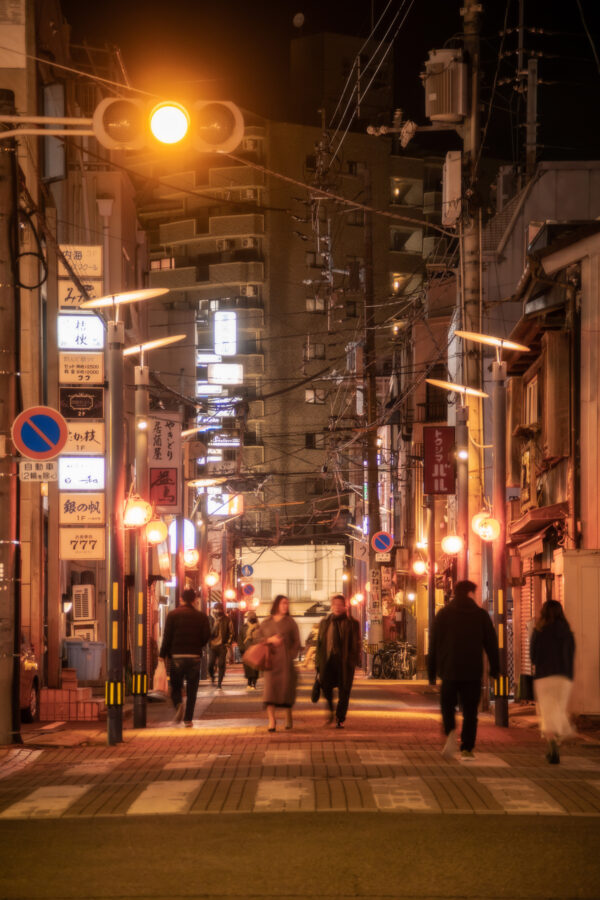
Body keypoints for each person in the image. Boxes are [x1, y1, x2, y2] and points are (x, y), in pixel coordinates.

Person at [428, 579, 499, 759]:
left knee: (447, 706)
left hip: (449, 670)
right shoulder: (480, 615)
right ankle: (467, 747)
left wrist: (431, 672)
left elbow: (434, 644)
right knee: (470, 711)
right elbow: (491, 644)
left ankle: (451, 734)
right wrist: (495, 669)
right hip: (472, 671)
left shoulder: (444, 614)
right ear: (470, 593)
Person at [530, 599, 575, 764]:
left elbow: (533, 656)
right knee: (559, 710)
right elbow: (570, 655)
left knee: (548, 714)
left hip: (544, 677)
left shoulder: (538, 631)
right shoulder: (567, 632)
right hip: (564, 677)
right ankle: (561, 734)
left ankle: (553, 746)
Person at [159, 588, 211, 726]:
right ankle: (188, 719)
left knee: (175, 686)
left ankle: (178, 704)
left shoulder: (172, 615)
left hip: (177, 656)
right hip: (194, 656)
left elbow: (167, 637)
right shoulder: (201, 616)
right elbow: (206, 636)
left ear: (181, 599)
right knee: (192, 689)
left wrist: (162, 655)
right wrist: (197, 645)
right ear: (195, 600)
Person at [256, 594, 300, 732]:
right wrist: (270, 640)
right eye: (283, 603)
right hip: (270, 662)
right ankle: (271, 720)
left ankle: (288, 716)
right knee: (270, 692)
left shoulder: (290, 622)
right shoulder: (266, 622)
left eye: (287, 603)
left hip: (286, 663)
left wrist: (291, 655)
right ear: (276, 605)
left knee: (286, 690)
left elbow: (296, 641)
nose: (285, 606)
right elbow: (257, 639)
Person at [315, 593, 361, 728]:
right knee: (326, 687)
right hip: (328, 661)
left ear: (345, 606)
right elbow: (319, 643)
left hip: (345, 662)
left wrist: (352, 660)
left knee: (344, 691)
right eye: (335, 605)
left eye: (340, 605)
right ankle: (330, 711)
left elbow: (356, 644)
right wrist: (317, 663)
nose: (337, 607)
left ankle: (340, 718)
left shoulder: (352, 623)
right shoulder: (325, 623)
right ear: (331, 606)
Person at [208, 601, 234, 690]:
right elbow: (207, 632)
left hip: (222, 646)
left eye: (220, 609)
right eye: (217, 609)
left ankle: (219, 683)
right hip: (212, 645)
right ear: (213, 609)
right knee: (210, 664)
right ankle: (212, 676)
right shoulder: (209, 619)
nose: (218, 611)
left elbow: (231, 632)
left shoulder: (227, 619)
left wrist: (228, 643)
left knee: (221, 664)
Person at [238, 608, 261, 690]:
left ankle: (254, 683)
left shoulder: (259, 627)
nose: (251, 618)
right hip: (246, 650)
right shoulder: (243, 627)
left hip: (256, 651)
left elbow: (261, 639)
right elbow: (240, 639)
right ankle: (249, 682)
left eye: (253, 616)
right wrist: (241, 649)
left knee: (255, 668)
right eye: (250, 616)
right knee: (248, 668)